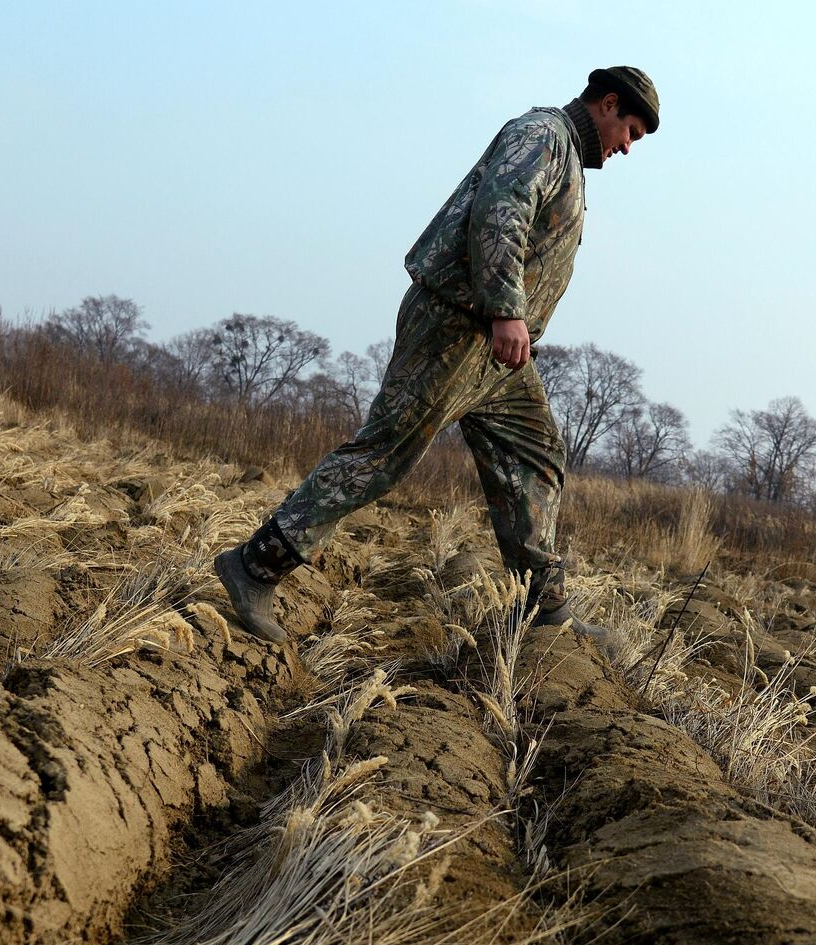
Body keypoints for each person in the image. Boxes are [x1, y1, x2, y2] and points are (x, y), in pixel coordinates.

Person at [216, 66, 661, 643]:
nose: (626, 148)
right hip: (457, 328)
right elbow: (501, 210)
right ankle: (254, 567)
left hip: (495, 356)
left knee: (534, 452)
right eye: (630, 131)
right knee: (385, 453)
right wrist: (506, 309)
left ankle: (541, 611)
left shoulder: (569, 157)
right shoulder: (544, 136)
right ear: (607, 105)